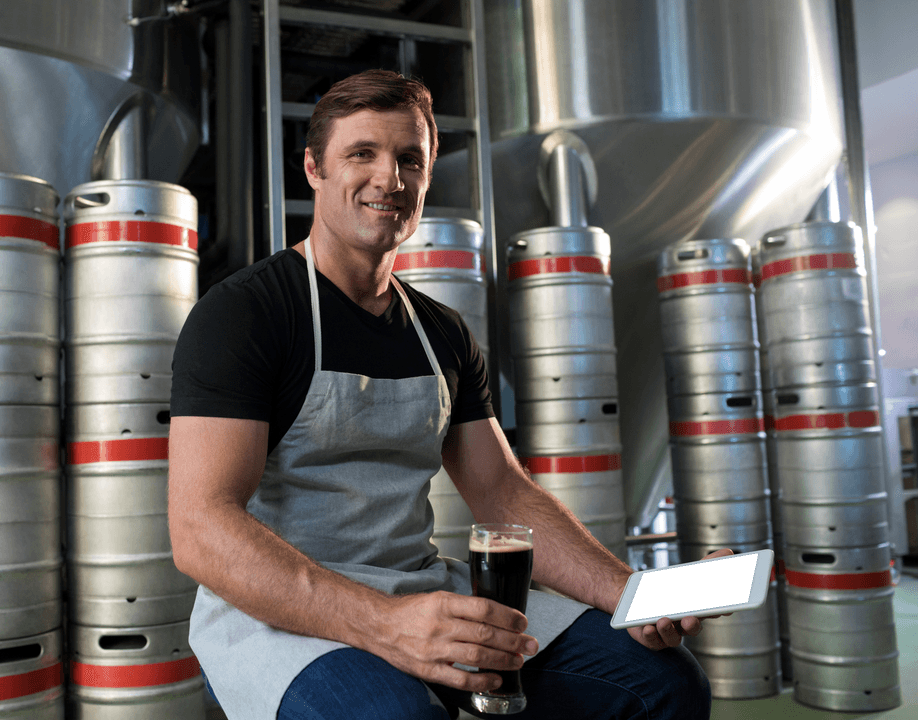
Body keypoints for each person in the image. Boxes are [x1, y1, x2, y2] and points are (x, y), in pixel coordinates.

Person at [169, 69, 718, 719]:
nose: (389, 179)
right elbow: (201, 530)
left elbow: (503, 493)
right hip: (277, 619)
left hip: (421, 591)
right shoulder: (246, 314)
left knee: (660, 682)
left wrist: (628, 592)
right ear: (314, 168)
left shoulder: (442, 333)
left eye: (410, 159)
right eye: (362, 154)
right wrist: (384, 625)